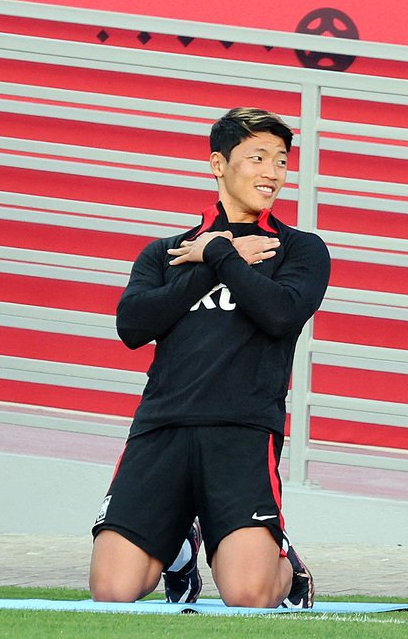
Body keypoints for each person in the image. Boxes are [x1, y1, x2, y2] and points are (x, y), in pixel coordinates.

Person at [90, 107, 329, 609]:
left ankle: (287, 566)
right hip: (162, 427)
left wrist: (219, 254)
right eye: (257, 158)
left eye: (281, 160)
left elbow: (280, 315)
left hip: (242, 431)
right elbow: (132, 326)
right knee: (112, 591)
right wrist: (210, 261)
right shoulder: (168, 252)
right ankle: (179, 548)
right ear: (218, 164)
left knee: (248, 595)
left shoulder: (299, 250)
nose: (272, 172)